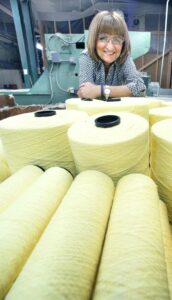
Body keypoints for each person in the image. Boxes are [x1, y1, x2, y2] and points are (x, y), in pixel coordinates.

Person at [77, 10, 146, 100]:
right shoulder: (86, 56)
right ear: (93, 39)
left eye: (117, 39)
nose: (110, 47)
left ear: (123, 42)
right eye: (102, 38)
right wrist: (122, 91)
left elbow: (140, 88)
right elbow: (86, 92)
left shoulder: (124, 57)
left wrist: (100, 89)